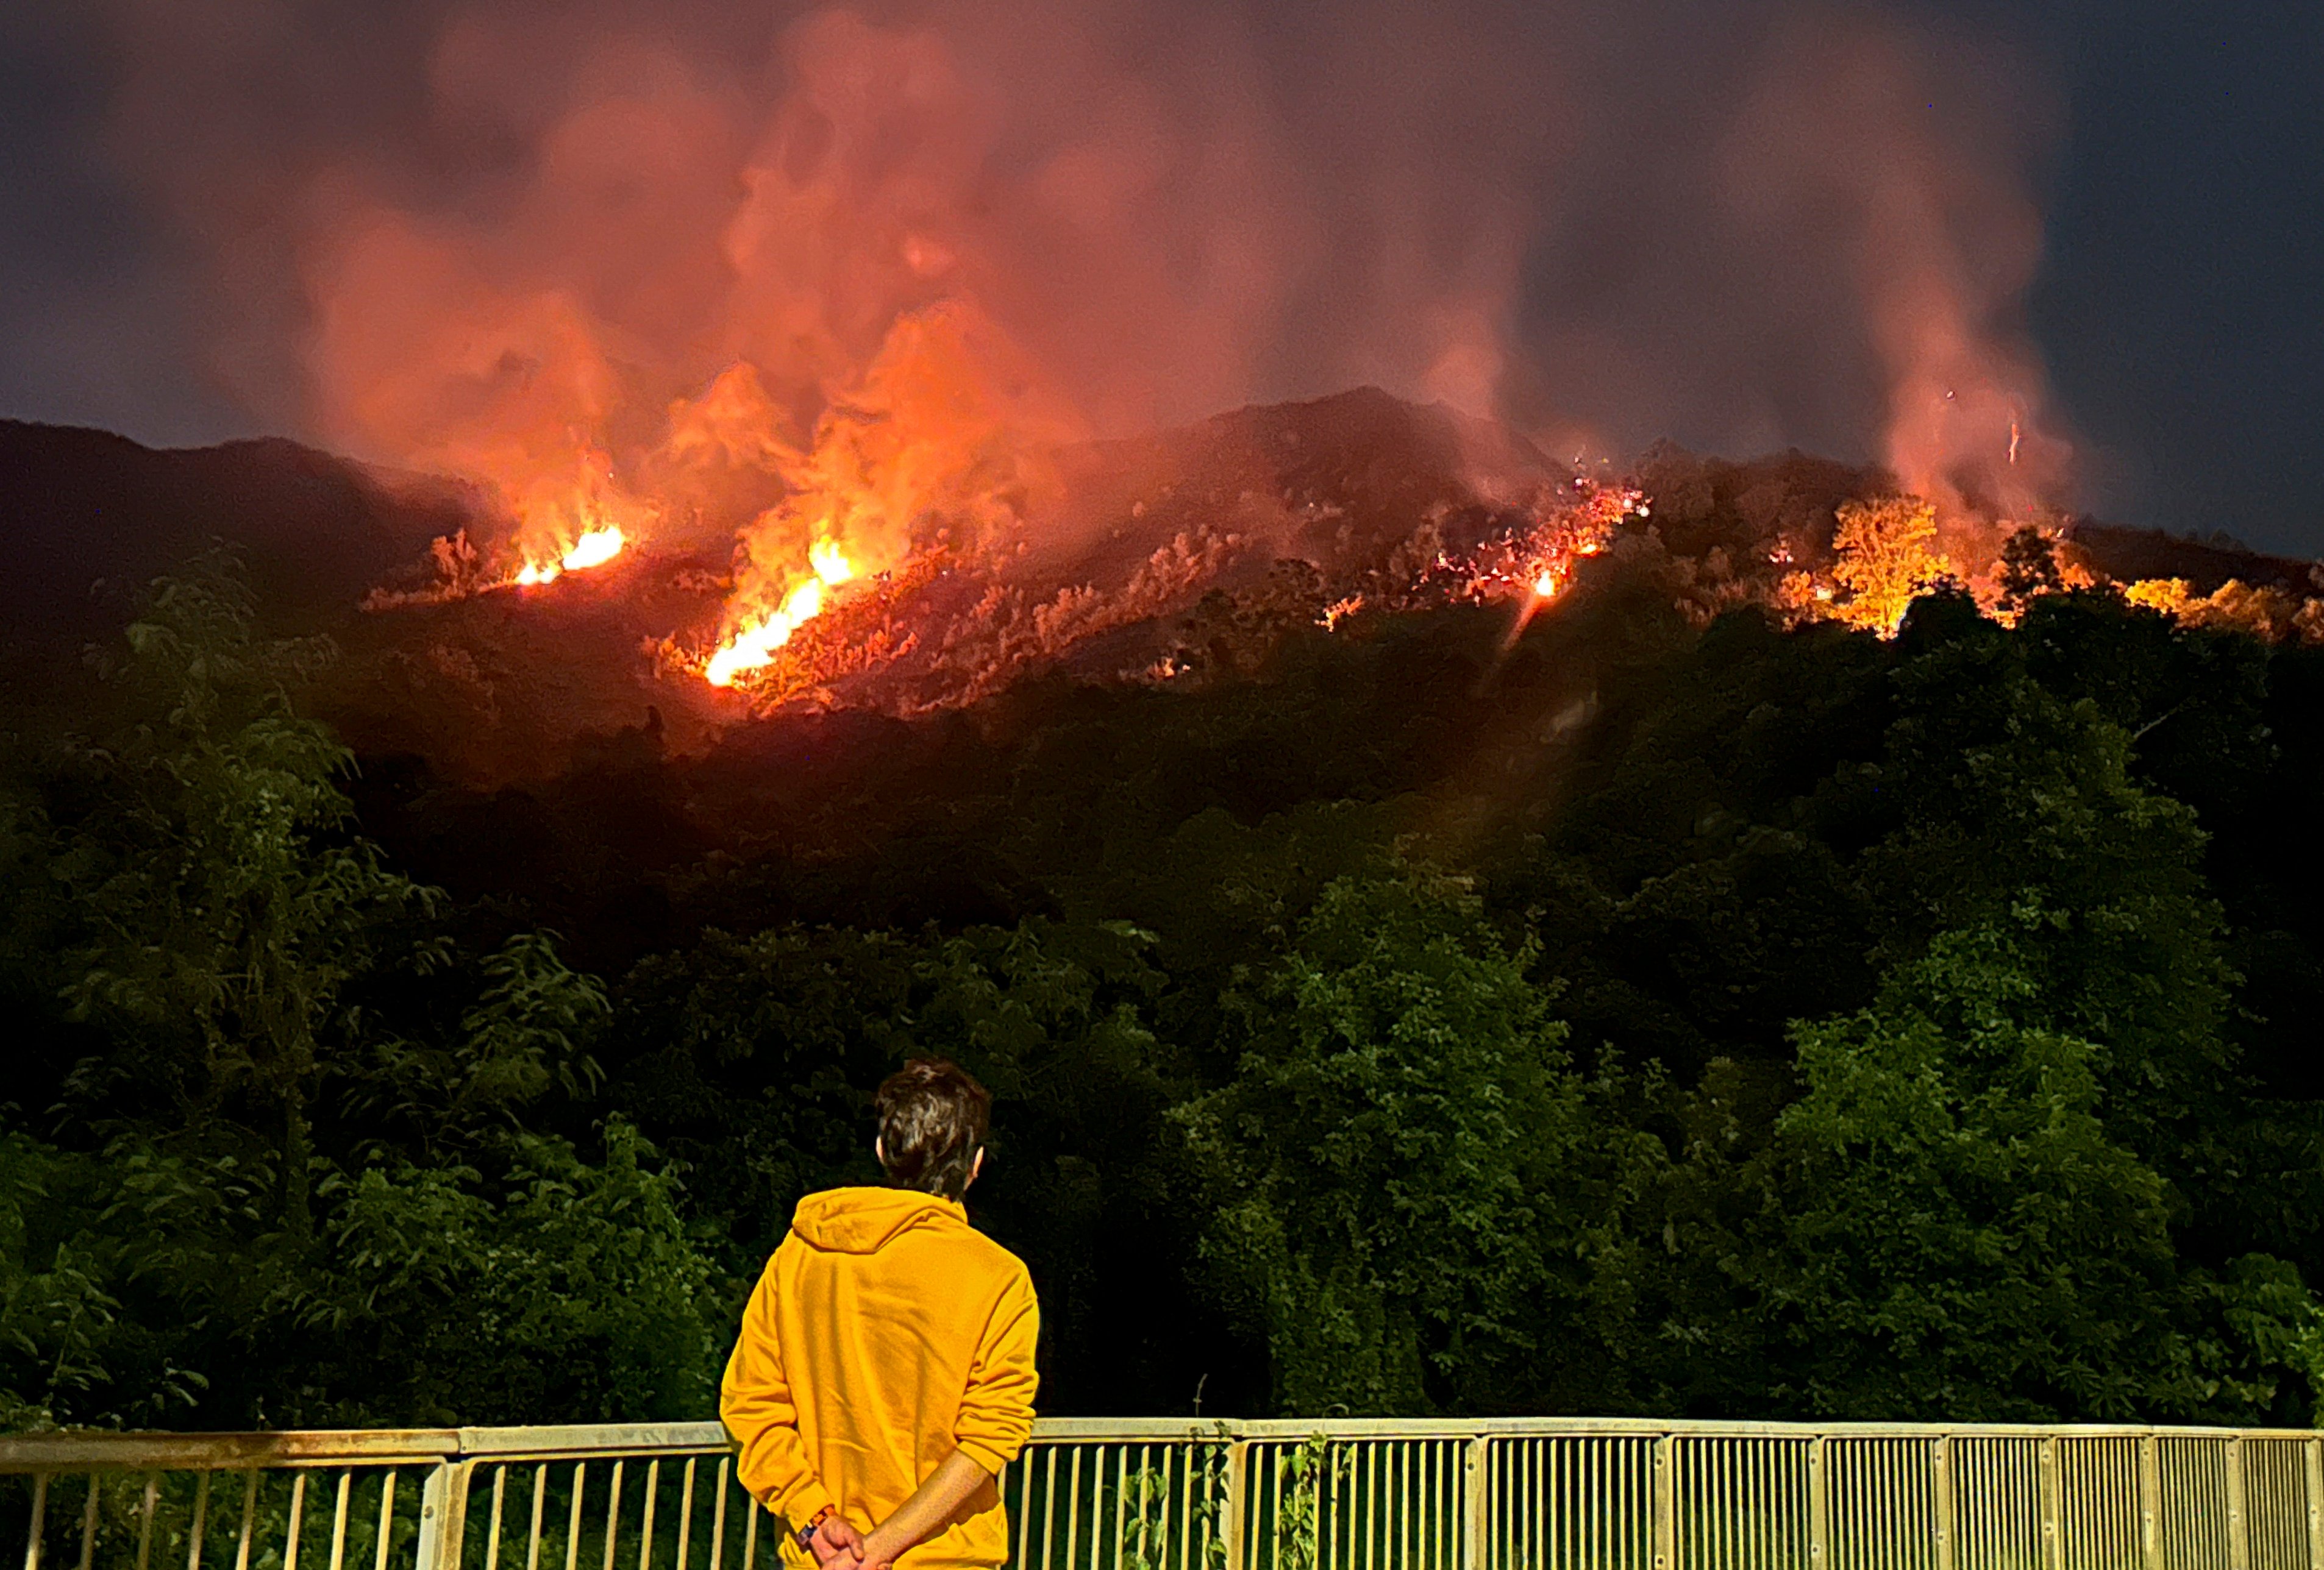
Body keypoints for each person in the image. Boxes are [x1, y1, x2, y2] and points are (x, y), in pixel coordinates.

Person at [721, 1059, 1039, 1570]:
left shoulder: (801, 1253)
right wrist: (878, 1550)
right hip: (944, 1560)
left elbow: (750, 1402)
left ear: (882, 1152)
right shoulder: (999, 1278)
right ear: (976, 1163)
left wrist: (814, 1519)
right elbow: (989, 1439)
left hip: (820, 1559)